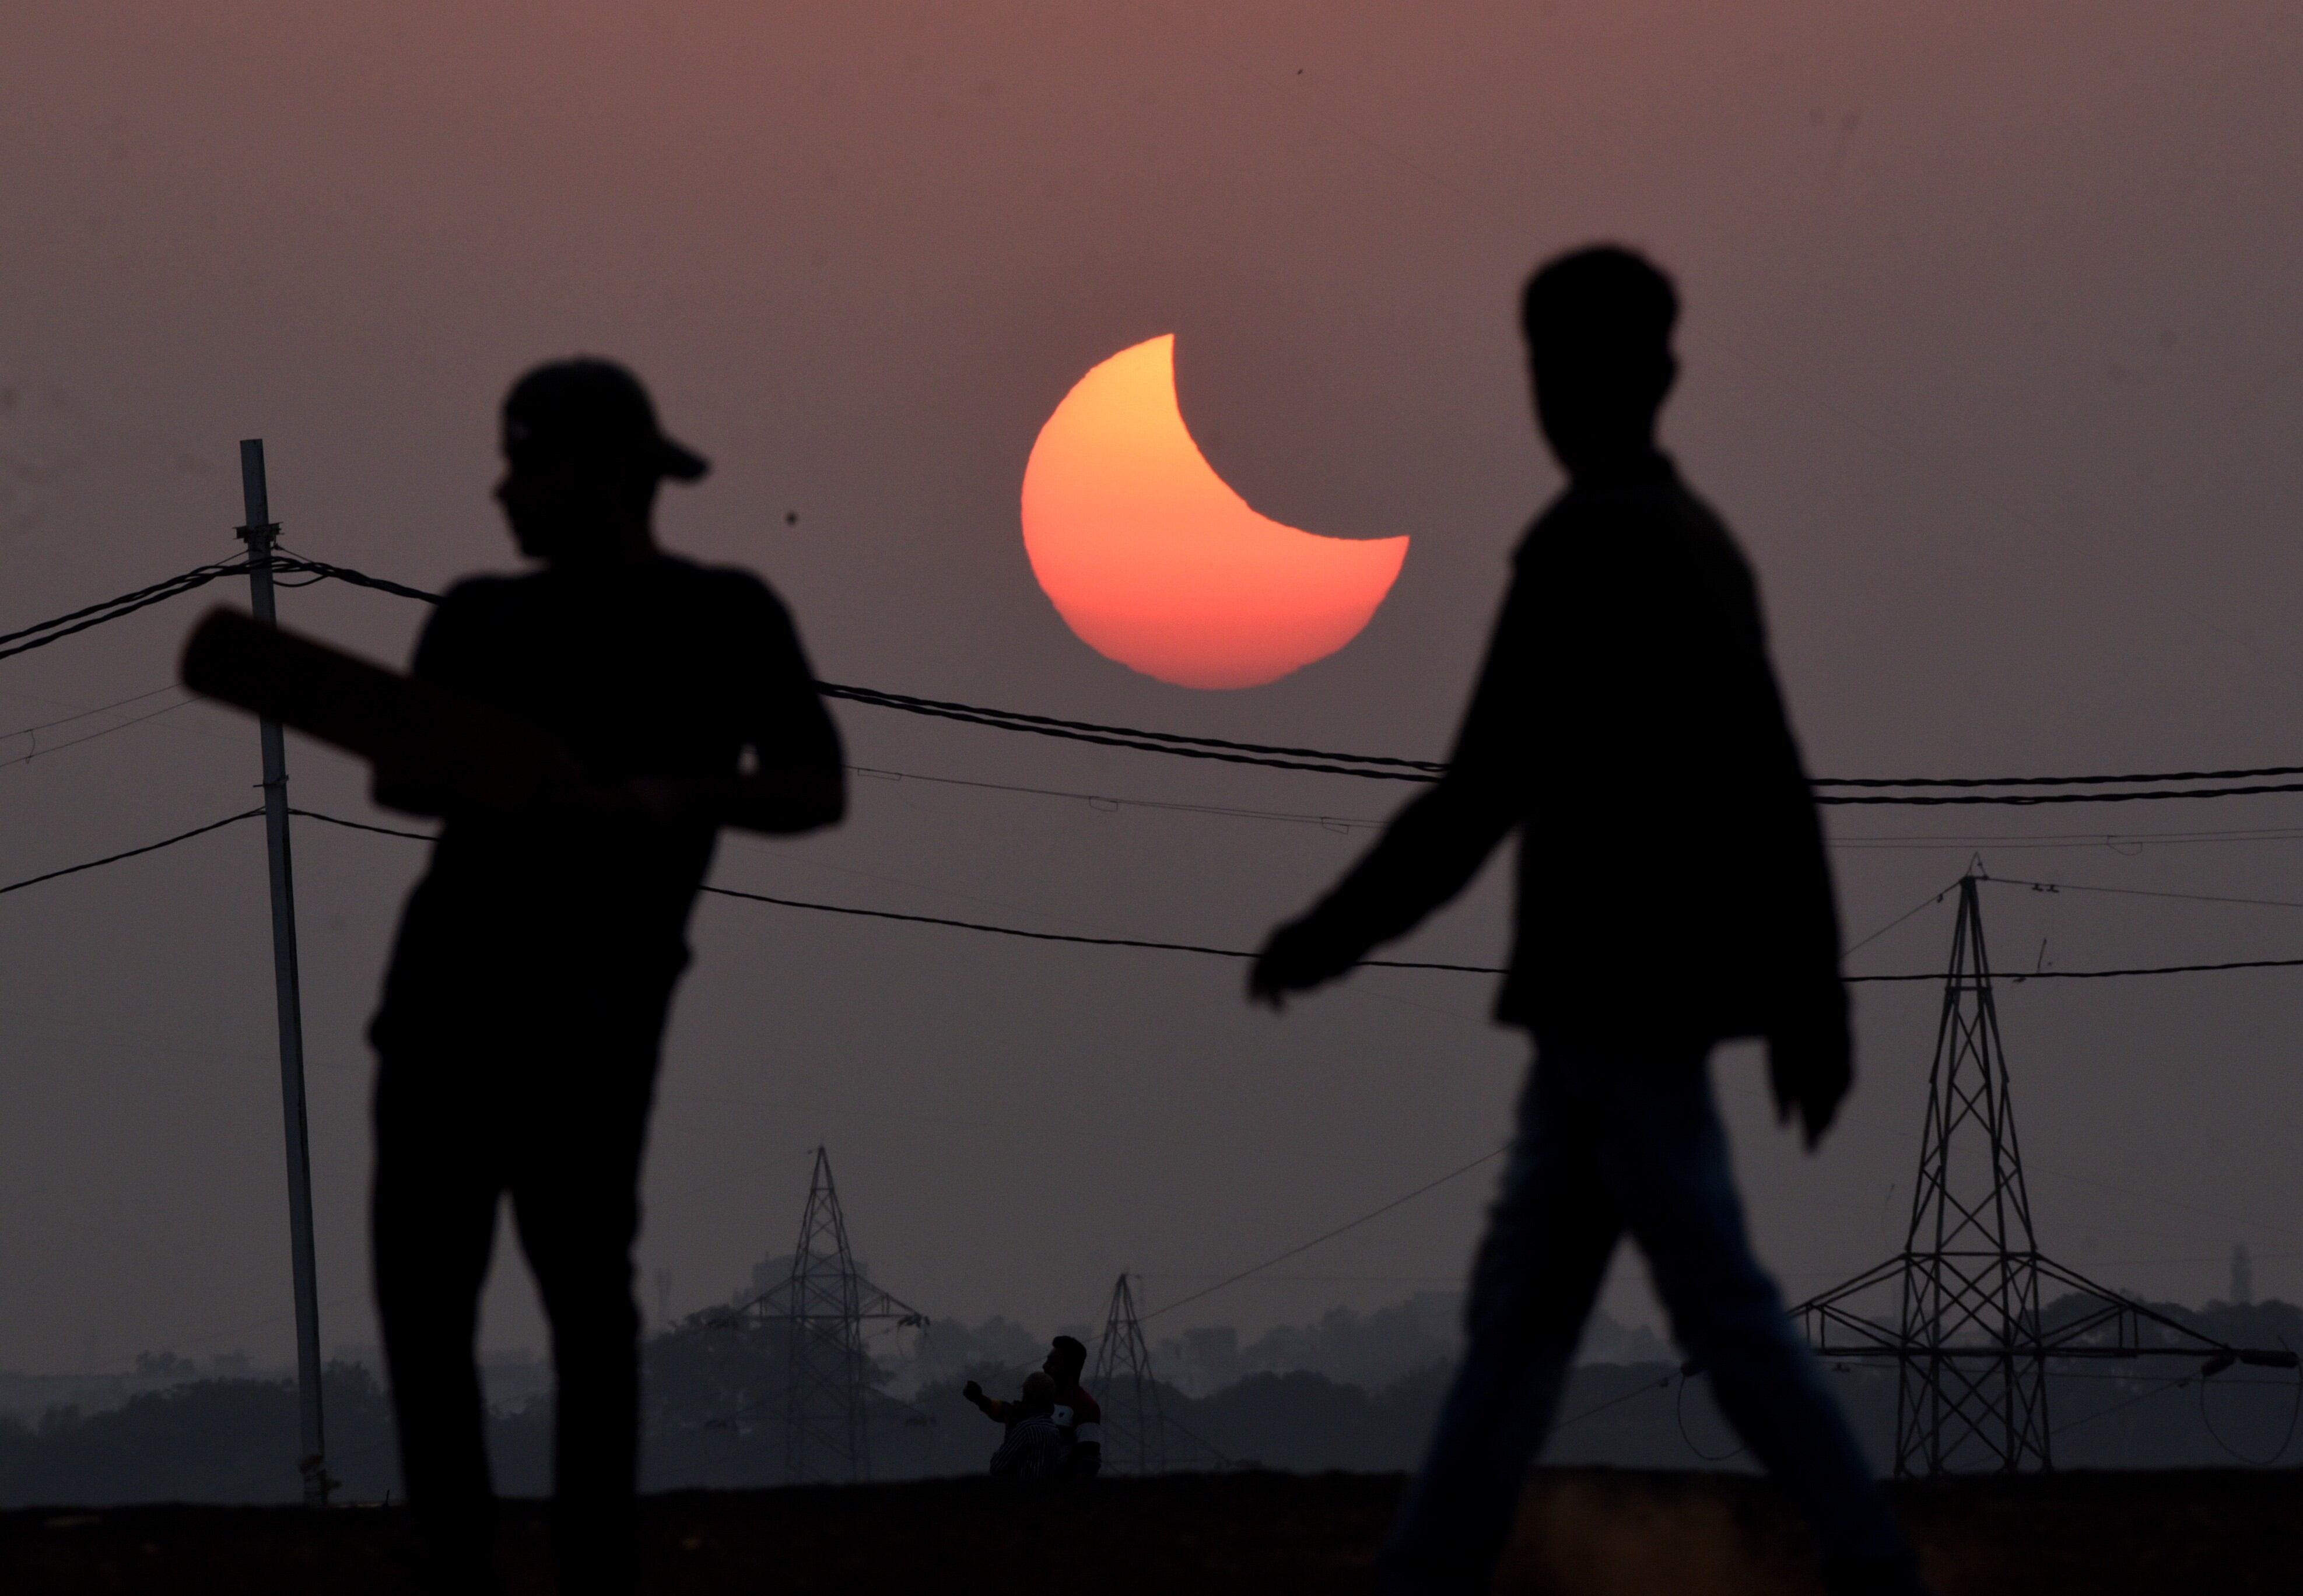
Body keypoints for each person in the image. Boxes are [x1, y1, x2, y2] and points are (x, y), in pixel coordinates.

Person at [1248, 248, 1927, 1596]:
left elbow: (1485, 790)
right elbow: (1771, 782)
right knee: (1524, 1326)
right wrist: (1813, 995)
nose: (1554, 393)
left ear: (1632, 378)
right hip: (1610, 1006)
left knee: (1717, 1309)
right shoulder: (1691, 543)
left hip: (1620, 998)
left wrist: (1330, 932)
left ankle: (1869, 1563)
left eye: (1568, 366)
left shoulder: (1595, 545)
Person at [367, 357, 846, 1595]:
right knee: (424, 1292)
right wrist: (512, 777)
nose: (503, 490)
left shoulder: (723, 616)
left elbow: (813, 782)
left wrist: (665, 799)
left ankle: (592, 1560)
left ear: (602, 473)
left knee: (583, 1292)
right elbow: (399, 772)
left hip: (592, 1010)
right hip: (442, 999)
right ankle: (454, 1546)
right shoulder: (476, 617)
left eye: (525, 463)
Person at [965, 1336, 1104, 1479]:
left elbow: (1090, 1459)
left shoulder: (1086, 1406)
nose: (1045, 1366)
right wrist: (979, 1399)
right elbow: (1009, 1412)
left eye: (1053, 1362)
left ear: (1071, 1368)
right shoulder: (1042, 1398)